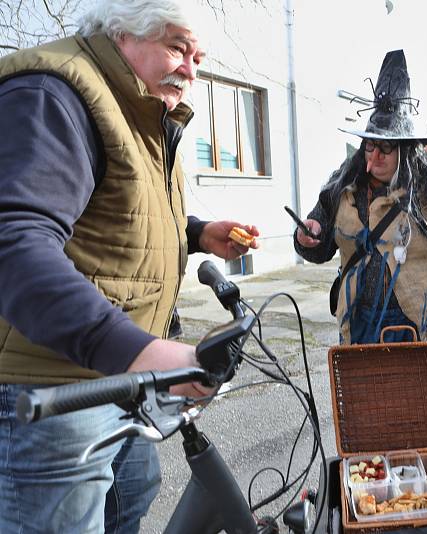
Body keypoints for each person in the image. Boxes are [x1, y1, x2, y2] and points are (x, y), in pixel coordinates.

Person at [0, 1, 259, 532]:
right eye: (177, 48)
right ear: (122, 34)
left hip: (120, 381)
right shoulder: (55, 95)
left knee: (132, 498)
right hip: (55, 392)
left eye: (198, 56)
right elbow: (15, 243)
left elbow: (112, 210)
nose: (192, 70)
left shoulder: (140, 109)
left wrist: (196, 233)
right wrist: (140, 351)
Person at [293, 50, 427, 359]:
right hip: (358, 325)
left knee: (423, 407)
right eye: (370, 145)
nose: (375, 156)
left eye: (386, 147)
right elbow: (318, 246)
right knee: (366, 408)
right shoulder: (341, 188)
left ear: (407, 150)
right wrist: (307, 238)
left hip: (423, 329)